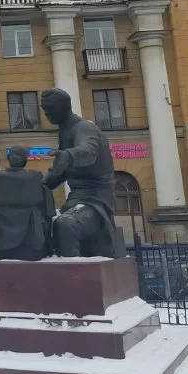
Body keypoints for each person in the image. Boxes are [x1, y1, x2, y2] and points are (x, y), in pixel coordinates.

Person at [40, 88, 120, 258]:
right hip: (77, 199)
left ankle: (72, 276)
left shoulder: (84, 128)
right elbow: (58, 174)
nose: (47, 113)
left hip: (96, 200)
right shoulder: (65, 132)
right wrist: (35, 185)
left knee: (66, 225)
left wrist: (69, 155)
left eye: (51, 108)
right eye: (44, 109)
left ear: (65, 107)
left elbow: (88, 151)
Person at [0, 146, 56, 261]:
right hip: (30, 244)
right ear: (25, 161)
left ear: (9, 159)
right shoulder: (35, 179)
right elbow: (49, 211)